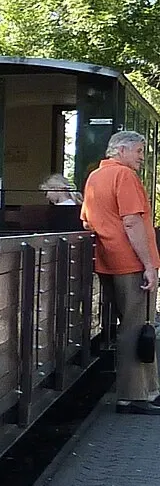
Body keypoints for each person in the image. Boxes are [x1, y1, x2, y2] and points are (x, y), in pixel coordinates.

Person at [80, 131, 159, 414]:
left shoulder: (94, 177)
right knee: (137, 328)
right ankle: (133, 396)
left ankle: (147, 390)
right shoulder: (124, 177)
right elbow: (131, 222)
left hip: (109, 261)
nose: (141, 157)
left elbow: (87, 221)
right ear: (121, 150)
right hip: (131, 263)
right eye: (138, 151)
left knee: (129, 326)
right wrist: (148, 265)